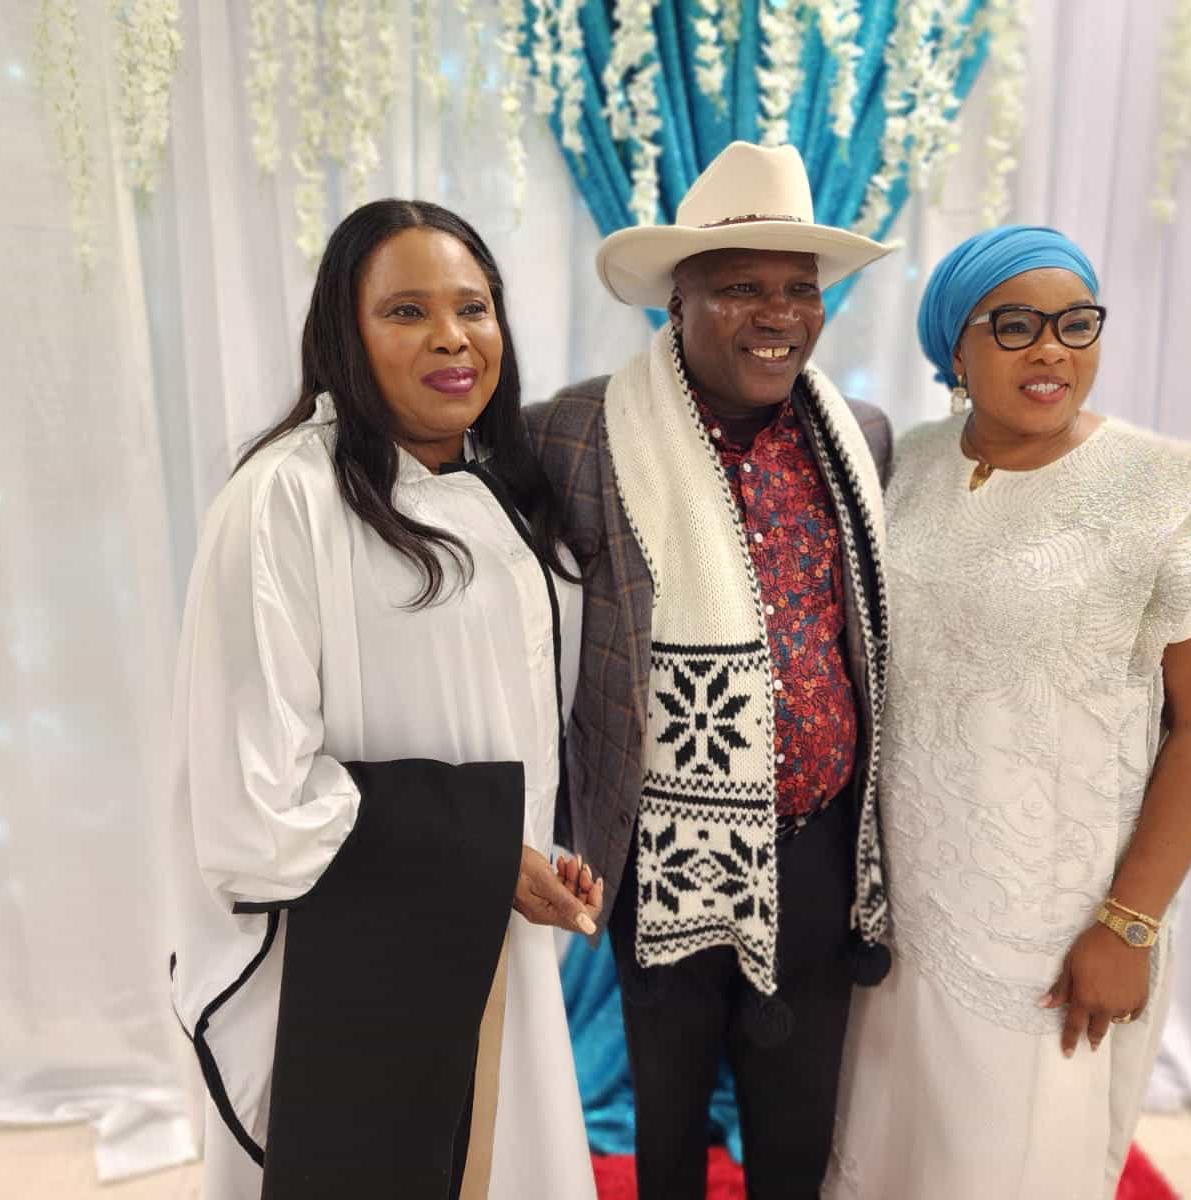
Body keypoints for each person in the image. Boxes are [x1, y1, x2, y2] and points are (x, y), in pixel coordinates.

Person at [827, 225, 1191, 1200]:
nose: (1052, 349)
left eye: (1077, 323)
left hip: (1054, 917)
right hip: (901, 905)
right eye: (1016, 325)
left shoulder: (1179, 496)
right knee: (893, 1154)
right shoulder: (898, 466)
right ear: (954, 348)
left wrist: (1127, 925)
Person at [166, 199, 599, 1200]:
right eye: (407, 311)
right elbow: (253, 800)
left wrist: (536, 852)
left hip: (493, 934)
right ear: (343, 334)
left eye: (473, 307)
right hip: (356, 956)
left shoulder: (500, 490)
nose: (451, 337)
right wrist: (485, 851)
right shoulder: (286, 498)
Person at [526, 141, 897, 1200]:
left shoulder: (859, 435)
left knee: (797, 1115)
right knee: (670, 1106)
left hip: (822, 835)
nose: (778, 315)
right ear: (677, 299)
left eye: (799, 289)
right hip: (660, 846)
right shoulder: (574, 434)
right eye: (740, 288)